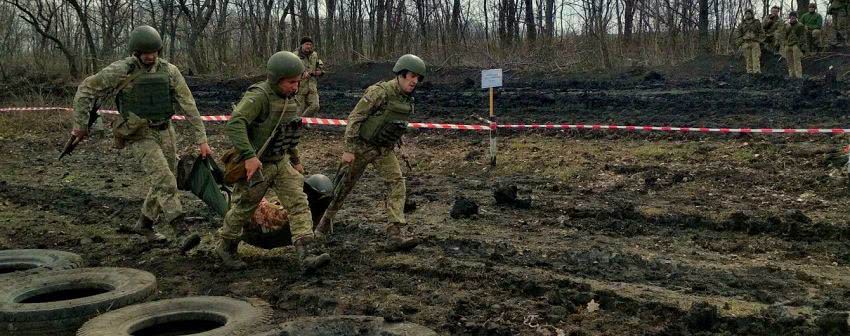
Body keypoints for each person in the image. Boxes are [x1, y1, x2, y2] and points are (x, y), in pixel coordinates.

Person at [70, 25, 211, 248]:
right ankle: (181, 229)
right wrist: (80, 125)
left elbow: (188, 104)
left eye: (154, 51)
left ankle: (144, 224)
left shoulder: (169, 71)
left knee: (166, 178)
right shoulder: (121, 70)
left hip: (165, 130)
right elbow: (86, 89)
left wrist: (201, 139)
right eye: (145, 52)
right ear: (135, 52)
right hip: (137, 134)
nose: (150, 56)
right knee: (164, 180)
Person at [215, 51, 330, 271]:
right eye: (291, 82)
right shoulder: (259, 96)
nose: (295, 87)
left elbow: (287, 131)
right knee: (244, 207)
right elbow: (235, 123)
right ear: (276, 79)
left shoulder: (289, 98)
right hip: (259, 164)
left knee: (299, 202)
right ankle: (226, 246)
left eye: (297, 82)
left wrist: (295, 159)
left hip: (281, 162)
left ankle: (306, 253)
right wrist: (249, 157)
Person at [315, 55, 426, 252]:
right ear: (401, 74)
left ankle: (395, 233)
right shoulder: (379, 92)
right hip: (360, 147)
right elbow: (355, 118)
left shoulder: (406, 100)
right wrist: (349, 149)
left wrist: (398, 142)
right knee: (342, 188)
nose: (414, 82)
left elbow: (392, 124)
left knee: (397, 183)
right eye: (411, 76)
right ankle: (321, 227)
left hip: (383, 149)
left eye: (417, 78)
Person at [294, 37, 324, 117]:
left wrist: (320, 71)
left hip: (312, 86)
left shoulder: (314, 54)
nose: (309, 46)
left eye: (310, 44)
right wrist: (301, 73)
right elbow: (290, 69)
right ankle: (300, 124)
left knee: (315, 106)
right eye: (307, 44)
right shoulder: (295, 56)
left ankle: (303, 121)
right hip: (300, 87)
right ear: (302, 45)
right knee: (298, 109)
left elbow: (319, 64)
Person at [736, 9, 764, 75]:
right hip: (745, 43)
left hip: (755, 42)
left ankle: (756, 72)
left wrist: (758, 40)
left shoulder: (757, 22)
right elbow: (738, 34)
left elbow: (762, 33)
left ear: (752, 14)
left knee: (756, 57)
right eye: (746, 14)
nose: (747, 15)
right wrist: (741, 41)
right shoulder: (741, 24)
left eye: (749, 13)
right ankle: (749, 72)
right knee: (748, 58)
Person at [782, 12, 806, 79]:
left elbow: (802, 37)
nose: (792, 18)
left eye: (794, 17)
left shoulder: (800, 26)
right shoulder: (787, 26)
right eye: (791, 17)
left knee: (797, 61)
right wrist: (785, 44)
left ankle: (798, 76)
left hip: (796, 45)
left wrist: (801, 46)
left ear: (796, 17)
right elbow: (784, 35)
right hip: (788, 45)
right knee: (789, 62)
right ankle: (791, 76)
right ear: (789, 17)